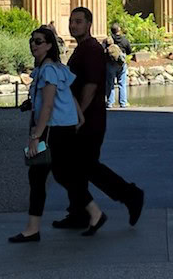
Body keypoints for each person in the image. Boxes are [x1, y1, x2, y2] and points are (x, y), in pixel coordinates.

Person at [11, 26, 104, 243]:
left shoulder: (48, 71)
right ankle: (95, 213)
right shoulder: (56, 68)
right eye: (32, 41)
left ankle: (33, 229)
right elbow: (67, 94)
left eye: (39, 41)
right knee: (64, 175)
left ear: (49, 46)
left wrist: (36, 136)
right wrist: (79, 116)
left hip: (53, 130)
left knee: (38, 176)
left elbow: (48, 105)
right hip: (63, 128)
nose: (33, 45)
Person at [59, 5, 145, 231]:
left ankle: (130, 195)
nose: (73, 25)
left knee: (86, 167)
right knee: (78, 167)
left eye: (78, 21)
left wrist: (78, 115)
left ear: (89, 24)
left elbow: (91, 85)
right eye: (71, 21)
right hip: (84, 118)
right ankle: (78, 213)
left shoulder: (91, 49)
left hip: (89, 120)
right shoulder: (82, 49)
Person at [106, 21, 133, 109]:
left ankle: (110, 103)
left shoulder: (108, 40)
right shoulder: (124, 40)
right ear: (119, 30)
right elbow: (129, 51)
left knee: (110, 84)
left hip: (110, 64)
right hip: (121, 63)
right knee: (122, 83)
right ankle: (123, 103)